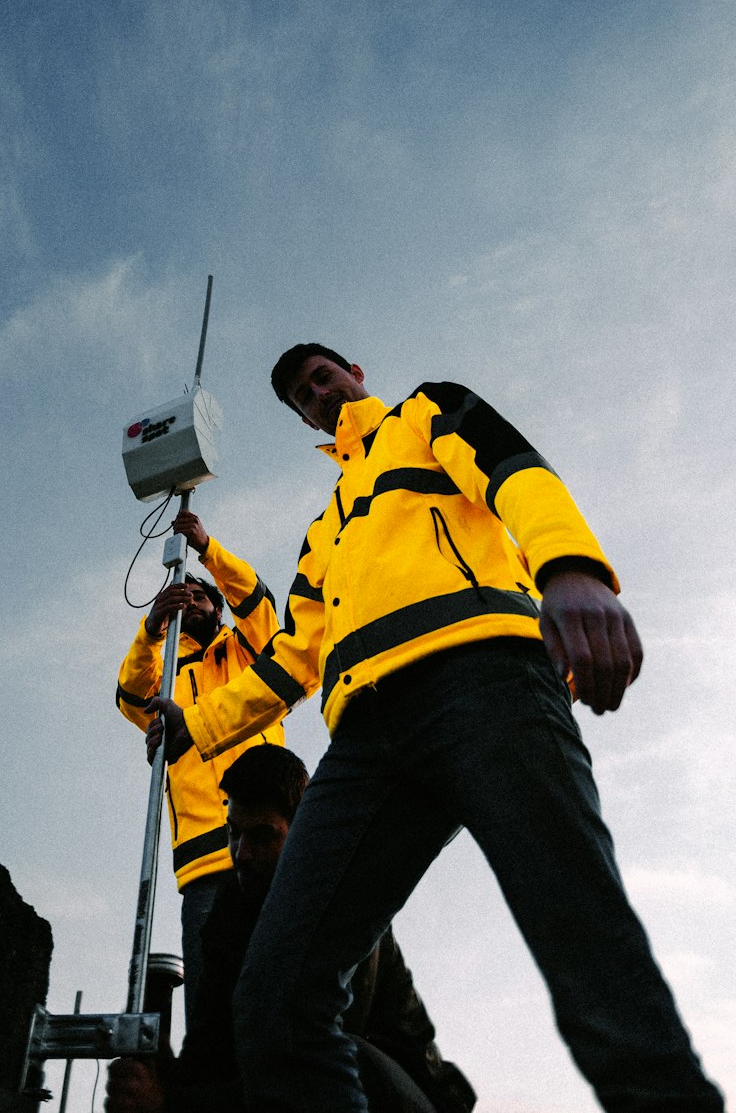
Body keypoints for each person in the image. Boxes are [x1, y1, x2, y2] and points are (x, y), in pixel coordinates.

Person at [147, 347, 725, 1112]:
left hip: (483, 681)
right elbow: (291, 658)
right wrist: (197, 724)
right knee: (276, 999)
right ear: (298, 416)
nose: (317, 394)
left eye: (323, 377)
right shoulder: (324, 533)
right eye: (300, 396)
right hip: (363, 741)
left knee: (580, 930)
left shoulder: (424, 414)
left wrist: (570, 569)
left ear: (352, 370)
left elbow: (517, 472)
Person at [105, 745, 475, 1113]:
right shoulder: (229, 912)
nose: (242, 853)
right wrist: (158, 1076)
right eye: (234, 833)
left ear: (302, 833)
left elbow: (307, 1064)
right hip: (304, 1085)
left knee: (333, 1055)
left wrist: (172, 1103)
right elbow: (211, 1058)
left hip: (387, 1093)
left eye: (263, 836)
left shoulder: (342, 905)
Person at [117, 508, 284, 1014]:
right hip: (203, 863)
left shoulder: (245, 649)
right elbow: (129, 696)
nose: (190, 601)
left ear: (217, 605)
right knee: (213, 1005)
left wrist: (208, 549)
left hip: (271, 842)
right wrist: (150, 629)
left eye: (200, 596)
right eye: (180, 598)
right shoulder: (166, 670)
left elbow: (258, 602)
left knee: (284, 988)